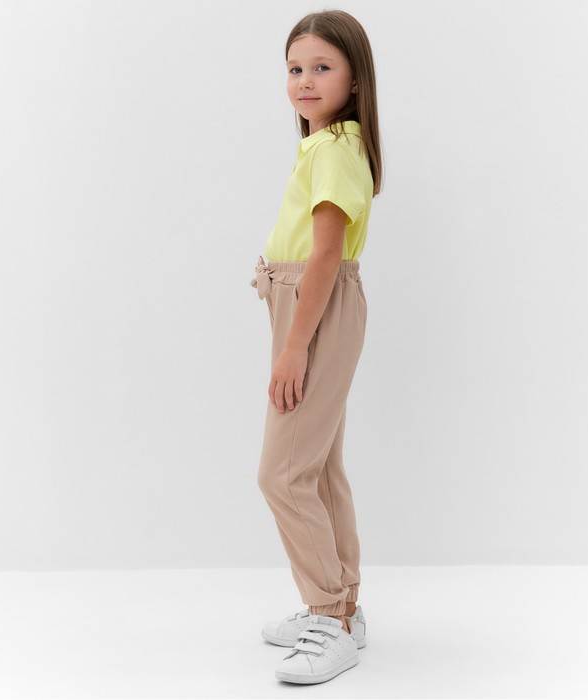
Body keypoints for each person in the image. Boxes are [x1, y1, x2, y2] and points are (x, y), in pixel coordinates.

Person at [250, 9, 383, 685]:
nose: (304, 80)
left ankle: (329, 615)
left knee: (282, 474)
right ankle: (344, 607)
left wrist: (293, 347)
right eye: (295, 68)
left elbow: (326, 256)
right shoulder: (327, 144)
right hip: (306, 303)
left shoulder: (333, 149)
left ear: (355, 80)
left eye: (322, 68)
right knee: (319, 466)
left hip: (314, 308)